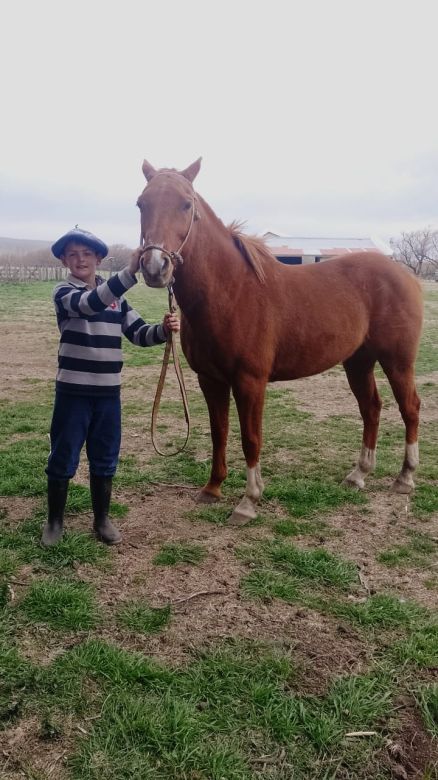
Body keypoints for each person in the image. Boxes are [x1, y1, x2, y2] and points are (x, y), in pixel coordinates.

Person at [41, 227, 179, 547]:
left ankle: (101, 519)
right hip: (72, 392)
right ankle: (54, 522)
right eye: (73, 254)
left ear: (98, 259)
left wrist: (163, 329)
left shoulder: (117, 299)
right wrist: (130, 271)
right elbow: (90, 303)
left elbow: (139, 334)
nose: (80, 260)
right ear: (64, 260)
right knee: (63, 457)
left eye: (87, 254)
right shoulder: (64, 293)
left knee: (105, 457)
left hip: (108, 394)